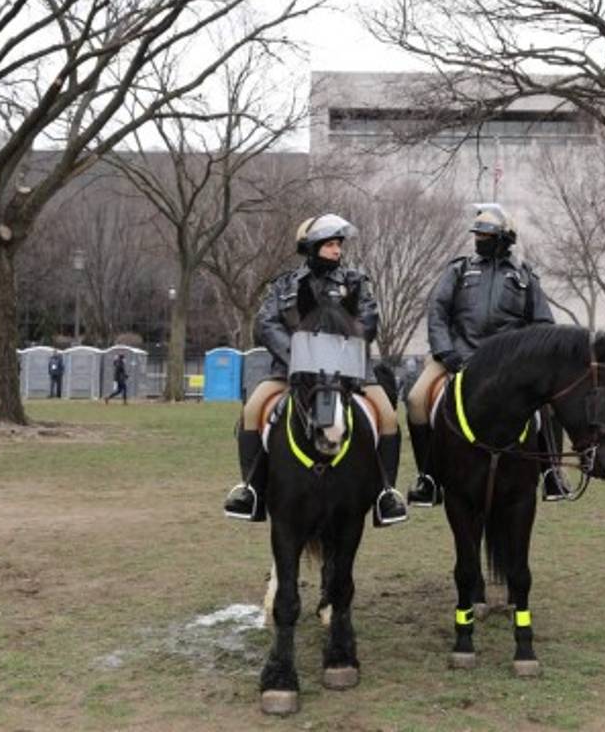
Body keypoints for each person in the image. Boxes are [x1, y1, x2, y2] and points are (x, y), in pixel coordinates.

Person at [223, 214, 408, 527]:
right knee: (252, 411)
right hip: (291, 371)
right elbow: (267, 324)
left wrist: (341, 350)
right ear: (311, 248)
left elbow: (368, 321)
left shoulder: (355, 282)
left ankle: (385, 493)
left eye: (339, 245)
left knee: (388, 418)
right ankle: (251, 490)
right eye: (330, 244)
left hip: (350, 371)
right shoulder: (284, 284)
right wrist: (299, 356)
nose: (337, 250)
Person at [404, 204, 558, 507]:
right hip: (456, 356)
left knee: (547, 403)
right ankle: (428, 479)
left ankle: (552, 472)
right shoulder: (458, 270)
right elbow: (437, 311)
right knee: (416, 400)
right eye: (477, 234)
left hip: (508, 365)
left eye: (485, 235)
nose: (478, 240)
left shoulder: (525, 277)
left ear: (504, 239)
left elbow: (543, 324)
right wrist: (445, 351)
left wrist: (525, 359)